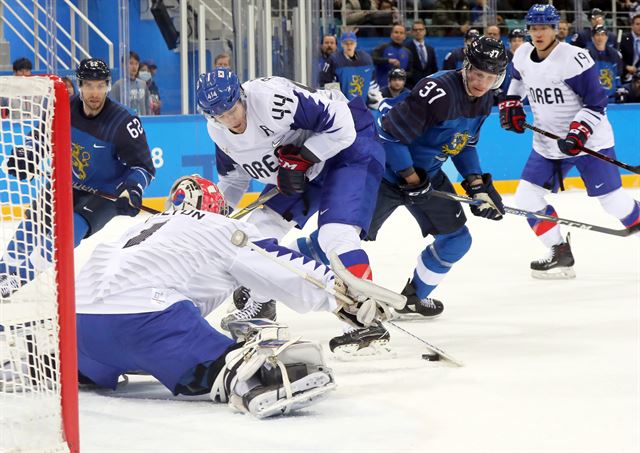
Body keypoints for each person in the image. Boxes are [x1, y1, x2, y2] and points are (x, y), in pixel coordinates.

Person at [72, 175, 405, 418]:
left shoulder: (138, 229)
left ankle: (63, 360)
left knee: (118, 341)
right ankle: (243, 378)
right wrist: (340, 297)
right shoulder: (216, 226)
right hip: (146, 323)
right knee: (251, 366)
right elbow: (276, 264)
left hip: (78, 330)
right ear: (215, 206)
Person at [195, 68, 385, 351]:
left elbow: (342, 123)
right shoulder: (219, 131)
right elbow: (234, 179)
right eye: (219, 115)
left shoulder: (271, 98)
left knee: (335, 234)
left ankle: (367, 324)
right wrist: (212, 215)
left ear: (241, 95)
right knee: (250, 238)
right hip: (298, 167)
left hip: (348, 147)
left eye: (232, 108)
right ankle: (261, 306)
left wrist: (304, 158)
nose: (230, 119)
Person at [349, 36, 507, 347]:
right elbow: (389, 137)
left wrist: (476, 183)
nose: (481, 83)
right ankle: (280, 268)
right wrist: (411, 178)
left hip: (427, 176)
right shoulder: (437, 92)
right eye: (477, 74)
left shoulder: (485, 98)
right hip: (385, 174)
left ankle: (413, 298)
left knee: (458, 239)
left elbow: (464, 144)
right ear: (466, 67)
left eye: (490, 78)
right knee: (341, 237)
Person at [498, 4, 640, 279]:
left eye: (544, 27)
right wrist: (512, 103)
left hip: (590, 143)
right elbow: (517, 81)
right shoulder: (523, 54)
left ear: (555, 29)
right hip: (547, 143)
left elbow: (597, 102)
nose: (538, 33)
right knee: (526, 198)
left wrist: (578, 132)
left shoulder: (574, 58)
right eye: (534, 28)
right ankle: (560, 252)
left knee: (613, 203)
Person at [0, 58, 155, 297]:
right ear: (80, 85)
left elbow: (144, 167)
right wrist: (25, 156)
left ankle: (11, 284)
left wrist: (132, 189)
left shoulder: (124, 121)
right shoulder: (62, 107)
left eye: (100, 85)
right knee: (27, 232)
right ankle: (3, 274)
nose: (95, 92)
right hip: (65, 184)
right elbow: (39, 138)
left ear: (107, 85)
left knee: (63, 239)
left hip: (104, 196)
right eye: (89, 86)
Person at [318, 31, 382, 108]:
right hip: (342, 108)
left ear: (356, 44)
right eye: (346, 43)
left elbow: (372, 84)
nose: (349, 46)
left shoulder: (366, 59)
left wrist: (377, 101)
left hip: (362, 107)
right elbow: (327, 84)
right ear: (342, 44)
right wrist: (338, 105)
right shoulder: (334, 60)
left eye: (351, 43)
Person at [586, 25, 624, 99]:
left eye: (602, 35)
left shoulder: (615, 54)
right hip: (593, 97)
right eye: (597, 35)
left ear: (606, 37)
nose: (600, 38)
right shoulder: (586, 54)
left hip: (611, 97)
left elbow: (617, 75)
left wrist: (618, 89)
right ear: (592, 37)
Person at [372, 23, 413, 89]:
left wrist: (400, 72)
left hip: (399, 90)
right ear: (391, 34)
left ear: (405, 36)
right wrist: (388, 60)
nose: (398, 35)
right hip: (381, 88)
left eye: (401, 33)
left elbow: (411, 73)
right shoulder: (382, 48)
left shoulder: (408, 52)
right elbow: (372, 59)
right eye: (396, 32)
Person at [111, 51, 151, 115]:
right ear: (123, 65)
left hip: (143, 121)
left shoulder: (143, 84)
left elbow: (147, 106)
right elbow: (112, 108)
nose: (134, 67)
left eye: (136, 63)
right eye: (131, 63)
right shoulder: (118, 85)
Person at [405, 19, 439, 88]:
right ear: (411, 32)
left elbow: (434, 69)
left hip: (428, 87)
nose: (418, 31)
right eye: (415, 30)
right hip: (411, 86)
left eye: (420, 29)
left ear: (425, 31)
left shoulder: (430, 49)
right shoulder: (406, 48)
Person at [619, 13, 640, 82]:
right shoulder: (623, 38)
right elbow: (617, 57)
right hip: (626, 75)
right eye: (637, 24)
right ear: (632, 26)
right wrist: (626, 67)